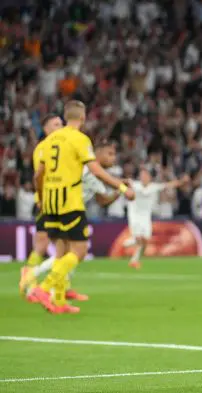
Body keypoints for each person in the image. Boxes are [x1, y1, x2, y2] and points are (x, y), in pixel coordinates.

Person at [27, 100, 135, 314]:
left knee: (62, 250)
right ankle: (44, 287)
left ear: (66, 118)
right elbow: (96, 171)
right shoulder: (80, 139)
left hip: (49, 202)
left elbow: (38, 174)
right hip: (69, 202)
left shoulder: (49, 141)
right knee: (80, 250)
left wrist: (40, 197)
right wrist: (123, 188)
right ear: (83, 118)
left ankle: (58, 302)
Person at [22, 139, 125, 300]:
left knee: (69, 253)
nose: (114, 158)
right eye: (110, 154)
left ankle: (60, 290)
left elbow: (100, 199)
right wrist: (121, 189)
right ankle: (32, 277)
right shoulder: (90, 171)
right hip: (67, 210)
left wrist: (119, 189)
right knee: (73, 253)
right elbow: (103, 199)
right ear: (97, 154)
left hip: (62, 208)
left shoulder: (87, 169)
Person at [19, 114, 63, 289]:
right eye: (56, 124)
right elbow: (40, 176)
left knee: (60, 245)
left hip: (57, 202)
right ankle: (28, 275)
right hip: (46, 202)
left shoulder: (58, 146)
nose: (60, 127)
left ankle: (61, 286)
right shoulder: (43, 148)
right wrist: (43, 199)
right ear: (46, 129)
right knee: (43, 243)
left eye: (61, 124)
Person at [124, 168, 190, 269]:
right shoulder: (134, 185)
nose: (144, 178)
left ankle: (134, 260)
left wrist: (182, 181)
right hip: (134, 215)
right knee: (139, 238)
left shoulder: (153, 187)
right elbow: (121, 183)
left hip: (146, 217)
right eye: (142, 176)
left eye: (146, 176)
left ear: (149, 177)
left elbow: (169, 185)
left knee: (145, 241)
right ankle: (131, 241)